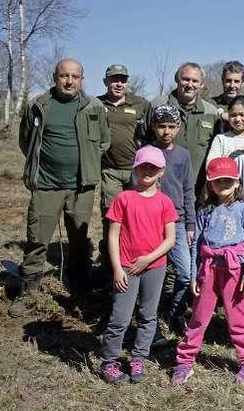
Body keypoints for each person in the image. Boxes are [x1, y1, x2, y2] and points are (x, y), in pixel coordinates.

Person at [11, 58, 110, 317]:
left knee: (79, 237)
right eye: (64, 76)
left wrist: (86, 163)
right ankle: (29, 287)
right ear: (55, 78)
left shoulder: (94, 107)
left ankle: (79, 283)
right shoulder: (39, 105)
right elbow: (26, 141)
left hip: (81, 186)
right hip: (46, 185)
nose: (69, 81)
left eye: (74, 76)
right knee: (37, 238)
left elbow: (104, 141)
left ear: (82, 79)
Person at [171, 157, 244, 385]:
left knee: (238, 317)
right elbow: (196, 246)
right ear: (210, 184)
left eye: (228, 181)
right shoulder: (204, 210)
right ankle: (184, 361)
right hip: (208, 270)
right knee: (199, 317)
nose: (223, 184)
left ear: (237, 182)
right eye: (218, 181)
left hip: (234, 270)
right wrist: (193, 275)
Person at [98, 146, 177, 384]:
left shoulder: (165, 202)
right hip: (126, 268)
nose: (148, 170)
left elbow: (170, 239)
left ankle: (139, 357)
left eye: (153, 167)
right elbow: (113, 235)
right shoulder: (124, 198)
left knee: (148, 315)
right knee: (120, 318)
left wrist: (148, 258)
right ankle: (109, 362)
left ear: (161, 171)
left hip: (154, 267)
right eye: (143, 165)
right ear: (135, 168)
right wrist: (117, 268)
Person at [98, 63, 150, 283]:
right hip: (109, 170)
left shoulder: (141, 104)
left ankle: (134, 262)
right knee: (111, 217)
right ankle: (109, 264)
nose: (118, 83)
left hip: (135, 171)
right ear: (106, 81)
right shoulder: (96, 104)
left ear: (127, 82)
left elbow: (149, 134)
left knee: (136, 218)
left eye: (122, 79)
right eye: (113, 79)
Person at [149, 105, 197, 334]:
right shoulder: (147, 152)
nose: (166, 131)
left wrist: (189, 225)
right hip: (152, 223)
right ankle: (150, 315)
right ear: (153, 127)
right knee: (153, 273)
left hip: (177, 223)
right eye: (161, 126)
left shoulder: (183, 155)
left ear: (178, 128)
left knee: (186, 273)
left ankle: (176, 312)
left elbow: (189, 191)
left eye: (171, 127)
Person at [163, 61, 219, 178]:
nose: (190, 84)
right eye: (185, 79)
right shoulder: (159, 106)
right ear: (177, 80)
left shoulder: (211, 112)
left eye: (195, 81)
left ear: (202, 85)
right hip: (163, 181)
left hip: (198, 184)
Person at [205, 95, 244, 165]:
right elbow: (211, 165)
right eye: (233, 115)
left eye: (242, 115)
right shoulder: (221, 139)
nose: (238, 119)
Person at [212, 61, 244, 134]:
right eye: (228, 81)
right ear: (222, 81)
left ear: (242, 83)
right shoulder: (211, 104)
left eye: (236, 81)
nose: (232, 85)